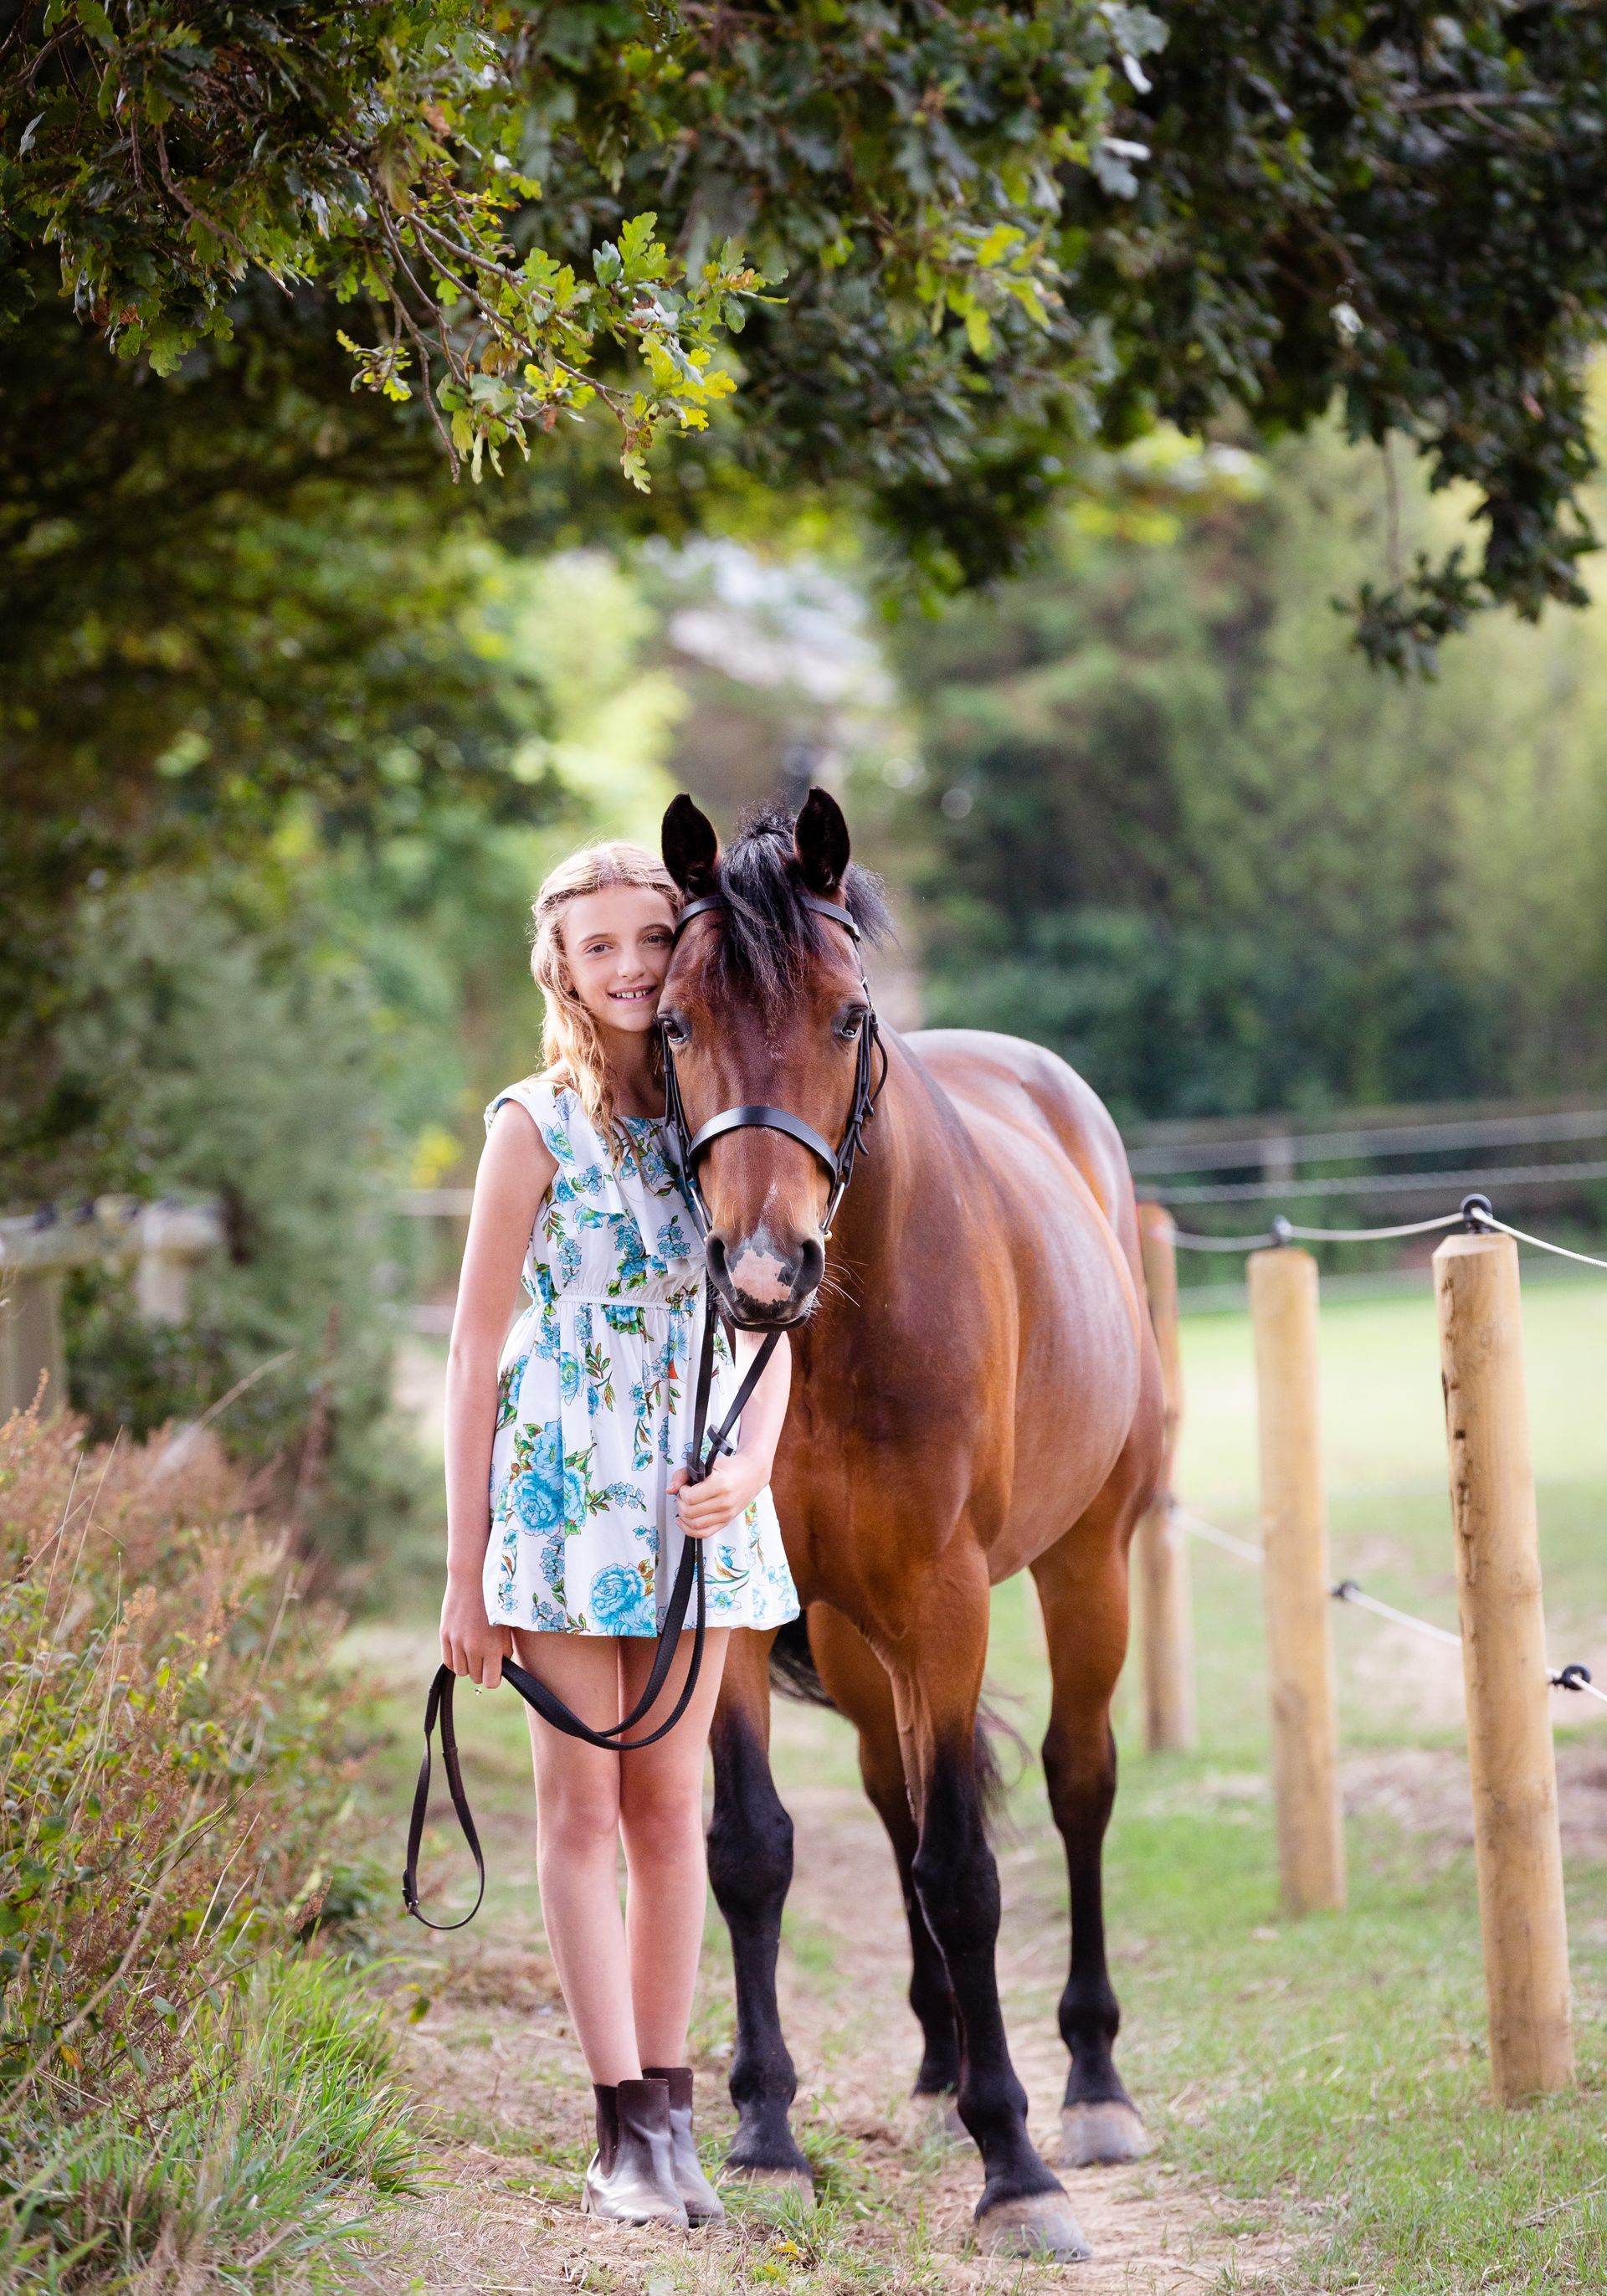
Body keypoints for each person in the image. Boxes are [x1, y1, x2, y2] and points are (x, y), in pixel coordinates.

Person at [438, 839, 799, 2229]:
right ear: (563, 970)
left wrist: (753, 1465)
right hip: (563, 1498)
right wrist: (462, 1566)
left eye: (651, 939)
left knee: (674, 1814)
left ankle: (678, 2116)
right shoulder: (529, 1125)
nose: (633, 967)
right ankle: (619, 2135)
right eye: (602, 949)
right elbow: (476, 1350)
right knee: (581, 1811)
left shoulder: (723, 1113)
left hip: (694, 1505)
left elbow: (773, 1318)